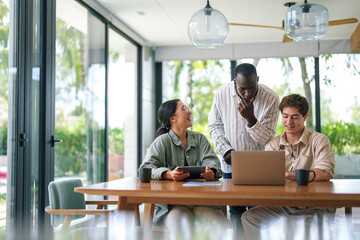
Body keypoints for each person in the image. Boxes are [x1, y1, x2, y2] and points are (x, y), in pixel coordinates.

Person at [241, 94, 336, 240]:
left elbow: (325, 173)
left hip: (315, 206)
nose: (288, 122)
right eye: (285, 116)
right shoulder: (273, 145)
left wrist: (287, 175)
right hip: (282, 206)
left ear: (305, 117)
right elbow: (267, 178)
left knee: (304, 225)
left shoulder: (319, 141)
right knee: (249, 217)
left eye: (295, 117)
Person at [208, 63, 279, 235]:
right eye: (242, 89)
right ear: (234, 83)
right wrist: (225, 151)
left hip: (259, 168)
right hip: (230, 166)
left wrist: (251, 120)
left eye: (251, 88)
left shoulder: (271, 98)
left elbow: (267, 138)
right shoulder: (221, 93)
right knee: (236, 211)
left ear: (258, 80)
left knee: (256, 211)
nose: (247, 93)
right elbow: (214, 126)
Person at [139, 99, 226, 238]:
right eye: (184, 109)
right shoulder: (162, 142)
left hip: (203, 202)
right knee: (181, 226)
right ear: (172, 118)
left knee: (217, 224)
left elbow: (213, 161)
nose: (189, 111)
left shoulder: (199, 139)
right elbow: (145, 168)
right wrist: (167, 174)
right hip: (174, 205)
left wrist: (212, 172)